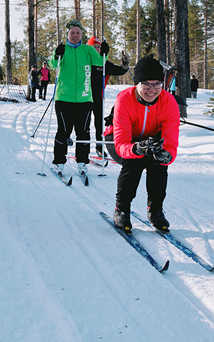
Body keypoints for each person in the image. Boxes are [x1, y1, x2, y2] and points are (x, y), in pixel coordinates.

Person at [110, 55, 180, 232]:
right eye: (146, 84)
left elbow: (171, 139)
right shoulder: (124, 99)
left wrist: (167, 155)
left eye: (157, 84)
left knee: (159, 163)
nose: (152, 90)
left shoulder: (168, 102)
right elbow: (121, 143)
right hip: (121, 142)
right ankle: (121, 209)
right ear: (137, 83)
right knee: (134, 163)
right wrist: (136, 148)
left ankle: (155, 210)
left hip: (151, 140)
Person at [48, 20, 105, 176]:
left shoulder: (88, 50)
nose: (75, 35)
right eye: (72, 33)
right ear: (68, 34)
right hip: (63, 98)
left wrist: (104, 53)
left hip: (84, 99)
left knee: (83, 132)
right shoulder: (63, 49)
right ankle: (59, 162)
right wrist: (56, 54)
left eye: (78, 33)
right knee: (63, 131)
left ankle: (82, 162)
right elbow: (53, 64)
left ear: (81, 35)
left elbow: (100, 62)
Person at [87, 36, 129, 156]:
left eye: (98, 47)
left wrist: (125, 64)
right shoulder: (84, 61)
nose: (97, 49)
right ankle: (83, 149)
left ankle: (99, 147)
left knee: (99, 124)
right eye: (94, 47)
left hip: (99, 98)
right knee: (84, 125)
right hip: (84, 98)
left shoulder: (104, 63)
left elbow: (120, 71)